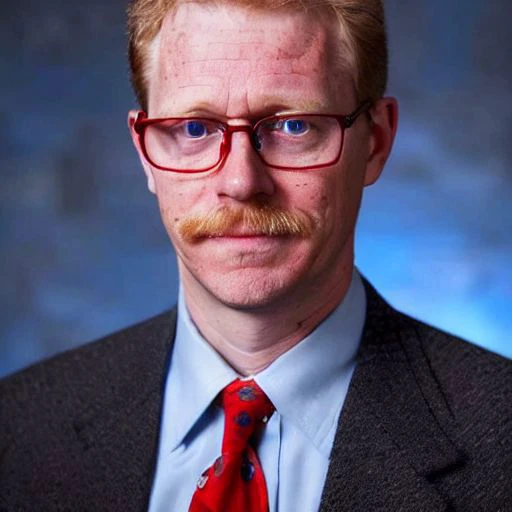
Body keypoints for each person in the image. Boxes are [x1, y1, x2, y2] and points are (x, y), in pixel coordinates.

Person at [1, 0, 510, 510]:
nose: (242, 183)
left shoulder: (500, 442)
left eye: (293, 126)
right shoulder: (18, 429)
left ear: (375, 141)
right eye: (194, 129)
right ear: (145, 155)